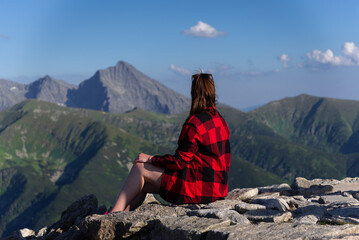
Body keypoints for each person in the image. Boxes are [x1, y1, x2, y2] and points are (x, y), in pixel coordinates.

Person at [110, 73, 231, 212]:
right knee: (141, 185)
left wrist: (150, 159)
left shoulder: (195, 123)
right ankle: (122, 217)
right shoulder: (220, 120)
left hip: (197, 189)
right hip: (217, 189)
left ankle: (112, 214)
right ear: (213, 92)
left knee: (139, 168)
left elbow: (179, 162)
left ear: (194, 93)